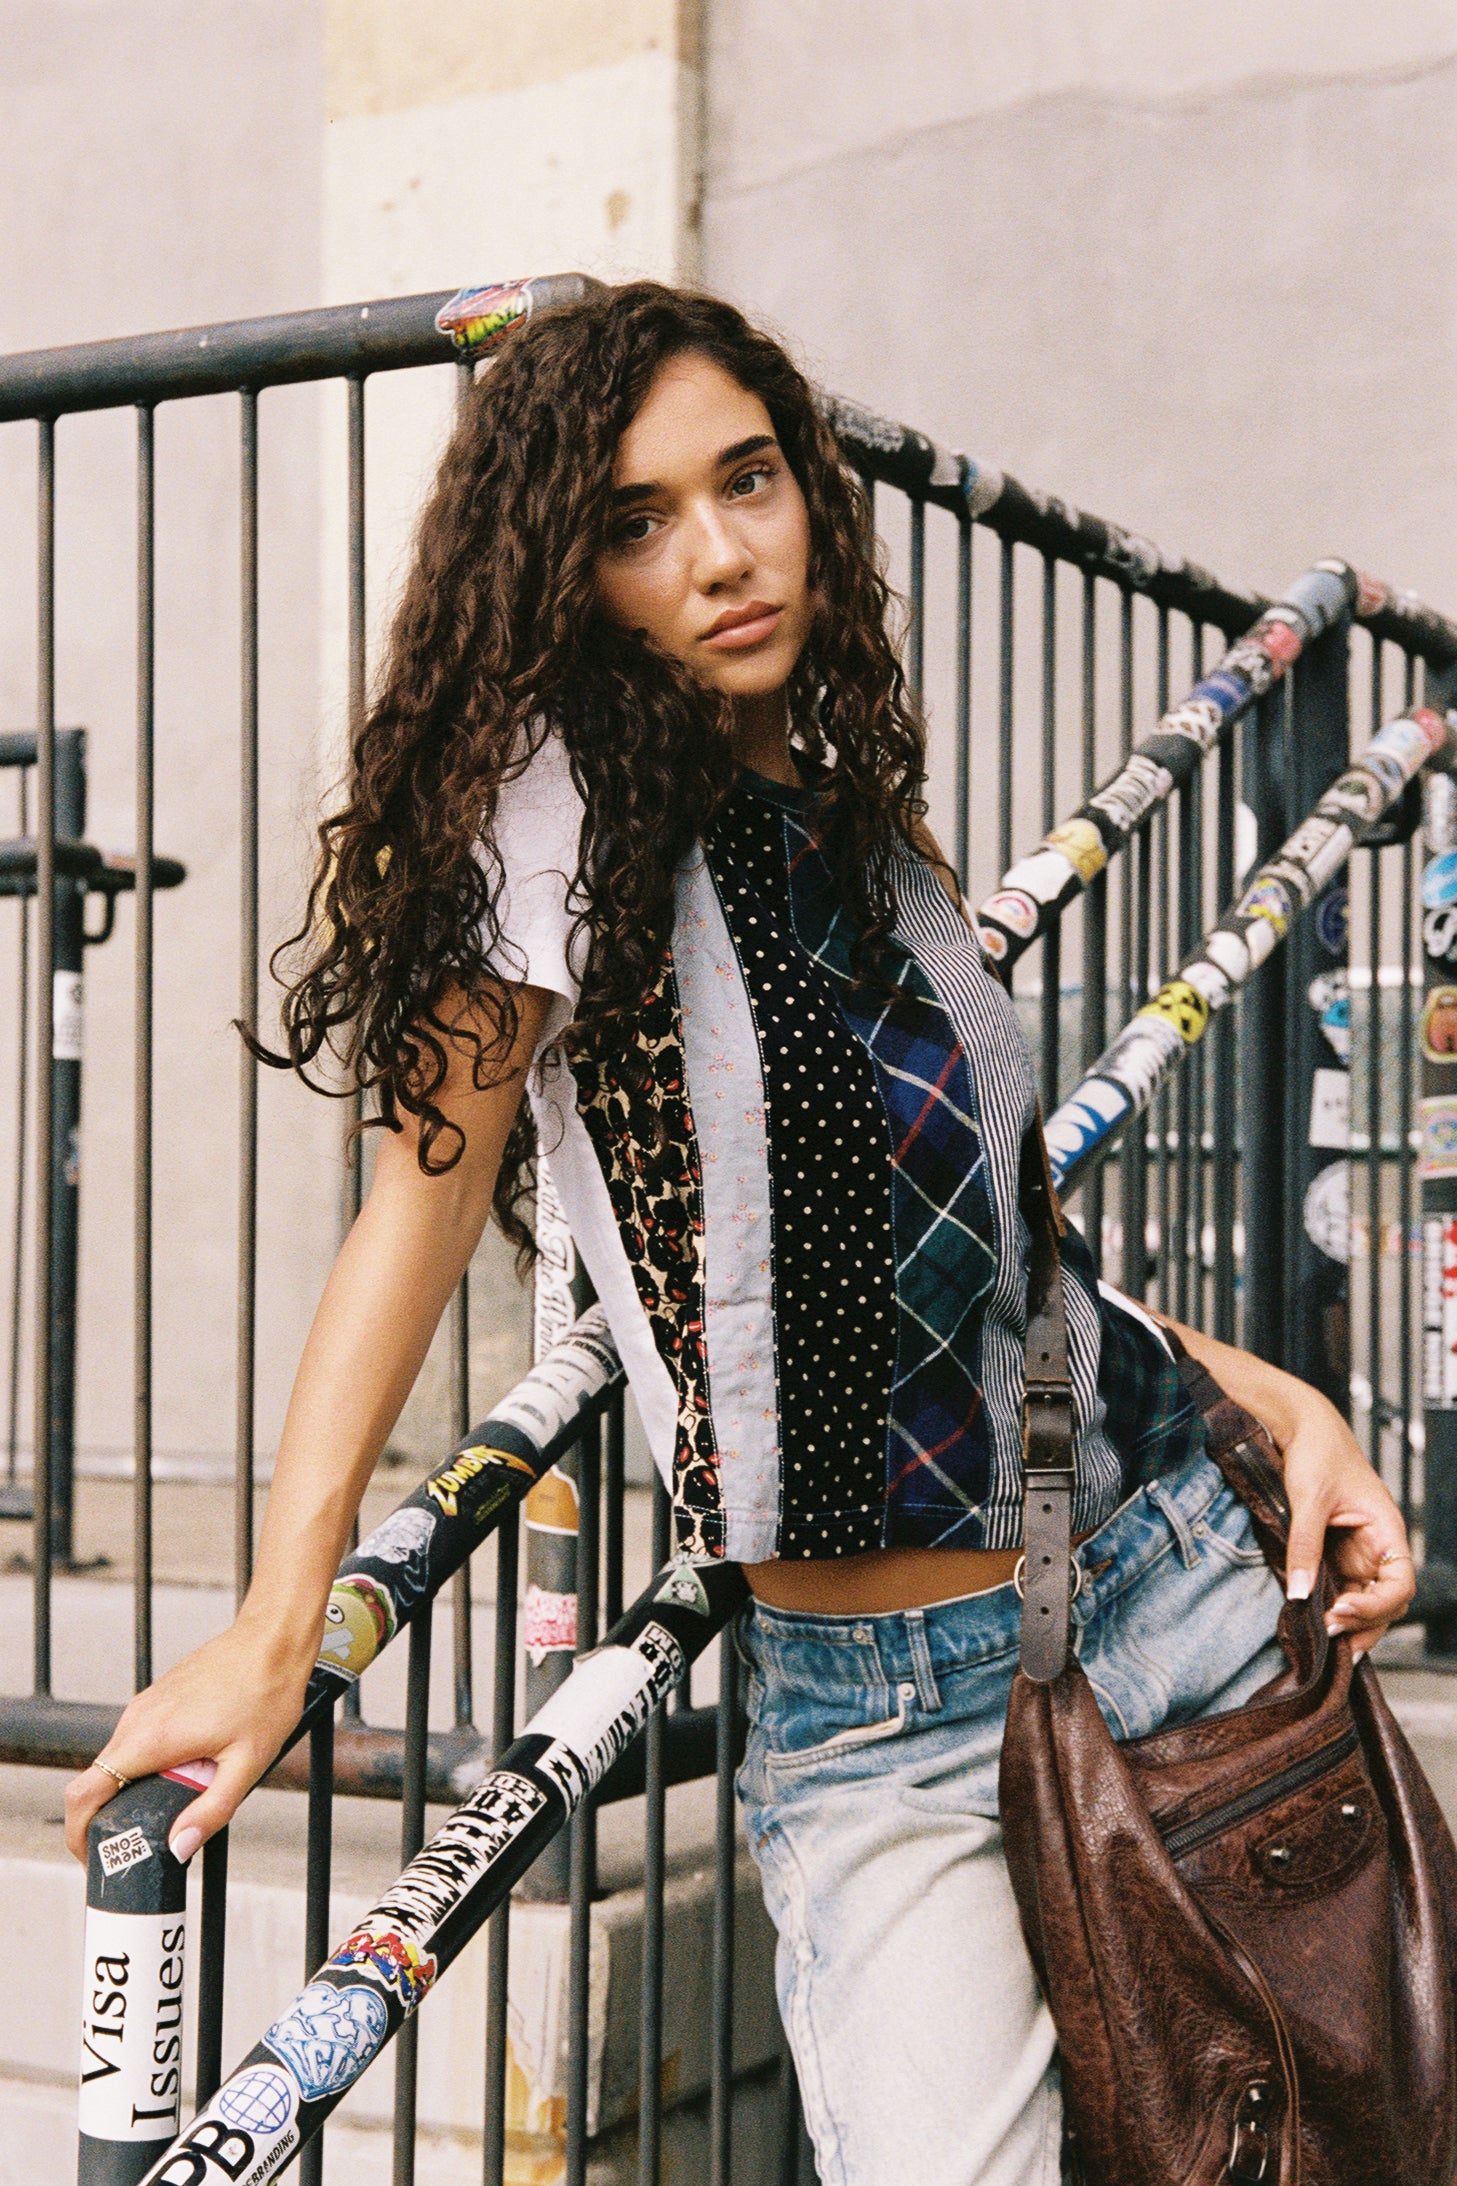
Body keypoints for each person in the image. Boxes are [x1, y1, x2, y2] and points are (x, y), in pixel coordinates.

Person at [65, 283, 1415, 2186]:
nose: (717, 554)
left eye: (749, 480)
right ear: (564, 568)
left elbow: (1008, 1243)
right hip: (885, 1711)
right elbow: (414, 1212)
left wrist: (1275, 1402)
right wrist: (281, 1624)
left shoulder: (873, 827)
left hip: (1162, 1571)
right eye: (638, 519)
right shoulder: (560, 823)